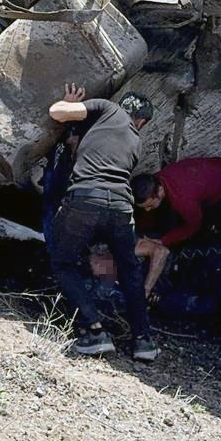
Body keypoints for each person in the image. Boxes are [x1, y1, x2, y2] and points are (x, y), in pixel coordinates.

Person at [47, 82, 158, 361]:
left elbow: (56, 112)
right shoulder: (136, 142)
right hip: (121, 208)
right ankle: (143, 340)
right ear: (142, 122)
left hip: (85, 200)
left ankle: (95, 330)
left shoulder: (107, 108)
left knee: (63, 263)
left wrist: (69, 105)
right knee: (130, 271)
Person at [131, 157, 221, 338]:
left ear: (160, 192)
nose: (148, 209)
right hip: (213, 177)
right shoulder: (154, 183)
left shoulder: (182, 198)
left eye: (149, 206)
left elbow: (193, 225)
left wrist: (163, 241)